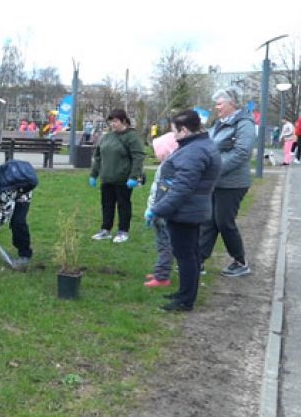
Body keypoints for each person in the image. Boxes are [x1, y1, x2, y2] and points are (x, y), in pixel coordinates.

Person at [146, 109, 221, 312]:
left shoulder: (194, 151)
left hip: (185, 212)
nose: (174, 135)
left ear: (185, 130)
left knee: (186, 255)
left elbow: (181, 188)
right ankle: (184, 293)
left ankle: (186, 300)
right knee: (190, 253)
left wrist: (157, 210)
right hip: (190, 209)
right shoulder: (198, 145)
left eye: (175, 131)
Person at [198, 87, 256, 278]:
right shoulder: (219, 124)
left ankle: (240, 261)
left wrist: (215, 168)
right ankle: (198, 260)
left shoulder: (244, 123)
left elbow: (241, 152)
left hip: (233, 182)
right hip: (216, 181)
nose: (217, 107)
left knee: (223, 221)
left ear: (232, 103)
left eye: (220, 103)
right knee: (208, 221)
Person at [89, 108, 146, 243]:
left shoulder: (131, 137)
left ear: (124, 121)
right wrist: (94, 174)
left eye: (115, 121)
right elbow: (98, 156)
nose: (112, 124)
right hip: (107, 178)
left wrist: (133, 177)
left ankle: (123, 231)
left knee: (123, 205)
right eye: (111, 122)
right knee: (107, 205)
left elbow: (138, 157)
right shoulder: (107, 136)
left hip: (123, 180)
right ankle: (105, 230)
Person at [142, 132, 179, 288]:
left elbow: (163, 192)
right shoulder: (166, 165)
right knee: (162, 243)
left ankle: (162, 276)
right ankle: (160, 271)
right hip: (158, 210)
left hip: (162, 212)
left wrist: (154, 210)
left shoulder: (170, 167)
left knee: (166, 245)